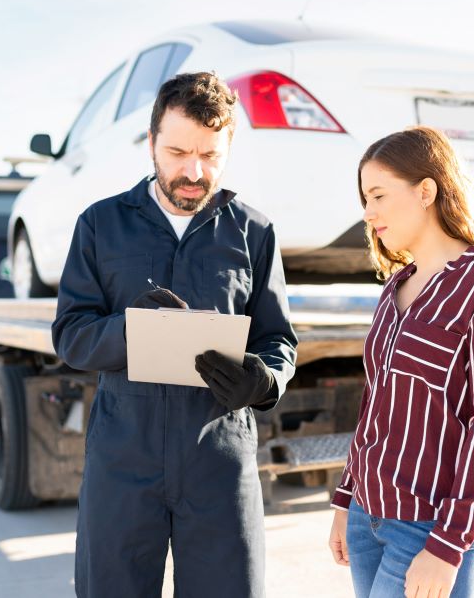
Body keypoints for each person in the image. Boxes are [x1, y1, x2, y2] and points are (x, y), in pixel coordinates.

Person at [52, 72, 297, 597]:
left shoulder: (254, 233)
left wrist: (262, 380)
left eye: (210, 155)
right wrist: (130, 330)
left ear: (227, 148)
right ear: (151, 144)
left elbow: (279, 341)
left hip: (219, 457)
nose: (193, 170)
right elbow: (71, 336)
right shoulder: (100, 225)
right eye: (179, 151)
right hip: (123, 457)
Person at [327, 126, 474, 598]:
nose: (368, 212)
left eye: (378, 195)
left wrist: (447, 546)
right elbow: (376, 403)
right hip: (368, 517)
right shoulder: (394, 287)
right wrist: (346, 500)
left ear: (426, 190)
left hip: (434, 528)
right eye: (365, 198)